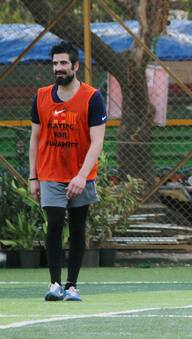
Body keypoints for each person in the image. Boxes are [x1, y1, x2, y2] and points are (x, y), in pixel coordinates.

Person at [29, 41, 107, 302]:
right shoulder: (41, 96)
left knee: (77, 229)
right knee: (53, 225)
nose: (58, 68)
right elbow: (34, 138)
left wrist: (82, 175)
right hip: (50, 173)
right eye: (54, 63)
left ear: (75, 66)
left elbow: (97, 141)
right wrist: (33, 176)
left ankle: (72, 286)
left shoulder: (92, 97)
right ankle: (54, 284)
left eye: (63, 63)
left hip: (80, 175)